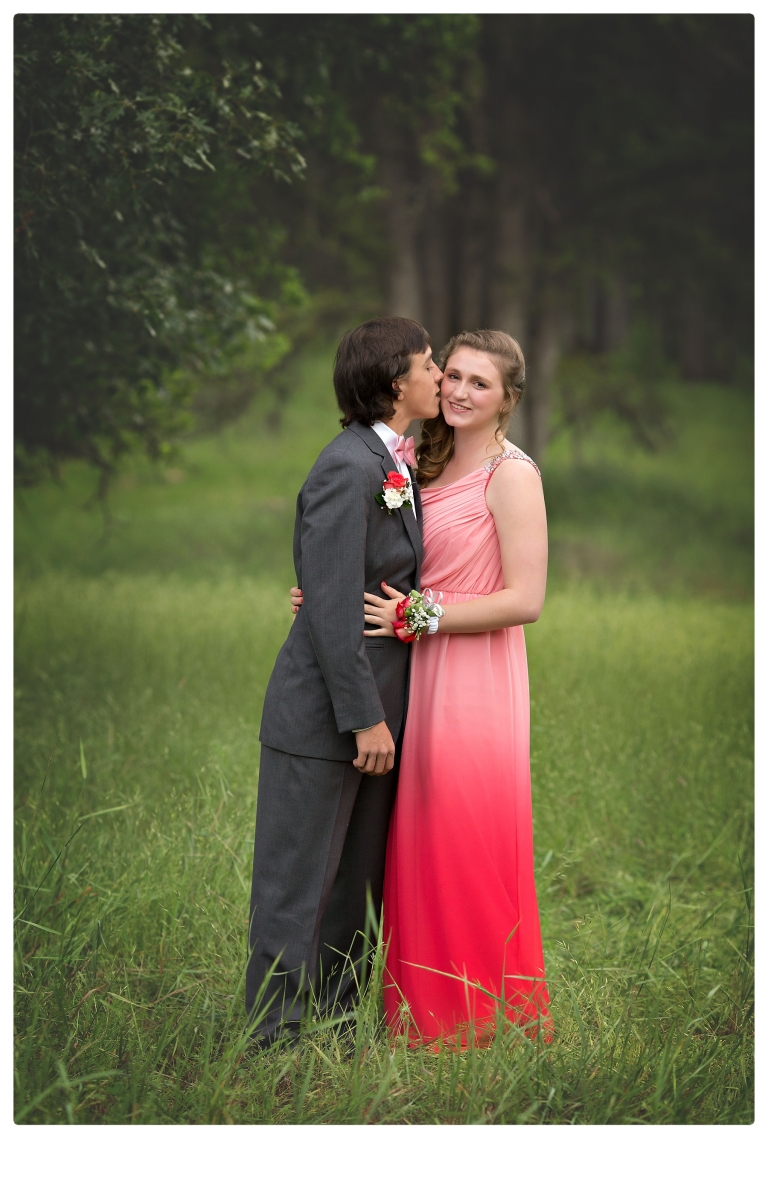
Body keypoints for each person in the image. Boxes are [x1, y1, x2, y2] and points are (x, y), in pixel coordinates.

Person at [292, 328, 552, 1048]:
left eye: (480, 383)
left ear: (509, 399)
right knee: (414, 844)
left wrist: (421, 613)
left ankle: (475, 1018)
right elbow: (371, 551)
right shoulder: (413, 458)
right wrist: (326, 595)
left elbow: (525, 598)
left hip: (474, 675)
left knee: (465, 834)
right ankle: (415, 1015)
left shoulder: (513, 474)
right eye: (454, 375)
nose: (460, 391)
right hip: (410, 674)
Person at [245, 317, 442, 1046]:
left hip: (378, 715)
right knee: (297, 888)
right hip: (326, 717)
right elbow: (329, 606)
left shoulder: (393, 461)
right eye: (430, 364)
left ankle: (338, 1022)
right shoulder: (348, 465)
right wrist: (363, 717)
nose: (439, 375)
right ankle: (272, 1039)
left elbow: (364, 579)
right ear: (397, 380)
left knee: (353, 889)